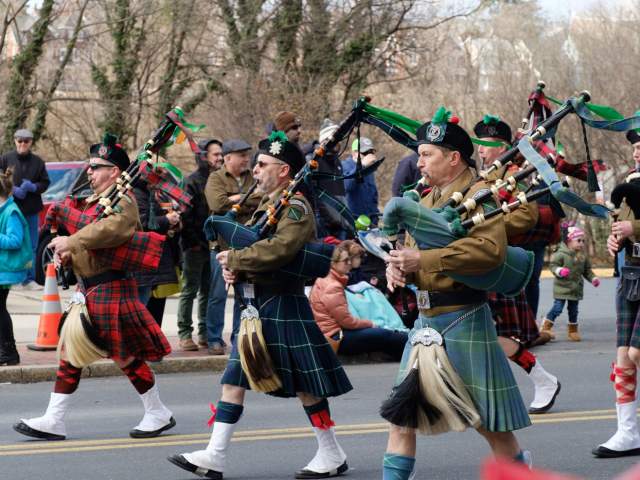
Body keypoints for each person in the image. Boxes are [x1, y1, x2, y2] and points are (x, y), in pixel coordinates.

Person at [168, 131, 352, 479]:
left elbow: (279, 249)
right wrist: (234, 268)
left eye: (264, 164)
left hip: (282, 303)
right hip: (255, 306)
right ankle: (215, 455)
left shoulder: (296, 207)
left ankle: (331, 452)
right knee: (233, 380)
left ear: (284, 171)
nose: (255, 169)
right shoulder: (270, 205)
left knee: (305, 386)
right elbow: (254, 249)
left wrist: (236, 258)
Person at [382, 110, 531, 479]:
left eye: (427, 154)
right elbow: (415, 254)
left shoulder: (479, 195)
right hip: (425, 323)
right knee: (401, 420)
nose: (419, 162)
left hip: (463, 317)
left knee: (491, 426)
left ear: (453, 157)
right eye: (419, 154)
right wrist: (398, 266)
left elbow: (488, 252)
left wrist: (424, 258)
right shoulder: (426, 198)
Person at [13, 134, 175, 441]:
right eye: (89, 166)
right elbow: (89, 241)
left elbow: (110, 231)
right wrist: (68, 255)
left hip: (111, 287)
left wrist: (72, 241)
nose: (90, 171)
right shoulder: (95, 202)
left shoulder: (124, 202)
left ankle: (157, 412)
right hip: (89, 290)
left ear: (114, 171)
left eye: (96, 167)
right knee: (71, 352)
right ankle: (54, 418)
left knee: (125, 356)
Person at [474, 115, 560, 415]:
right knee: (477, 337)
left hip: (502, 261)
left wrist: (483, 227)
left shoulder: (518, 174)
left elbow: (525, 217)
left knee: (493, 337)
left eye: (485, 145)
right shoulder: (484, 176)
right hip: (480, 261)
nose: (480, 151)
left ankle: (540, 380)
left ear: (500, 146)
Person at [593, 128, 640, 458]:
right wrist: (616, 240)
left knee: (638, 353)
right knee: (624, 355)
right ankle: (628, 432)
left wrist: (633, 229)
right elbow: (622, 227)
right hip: (633, 273)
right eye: (636, 147)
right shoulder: (631, 181)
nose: (637, 152)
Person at [204, 139, 261, 355]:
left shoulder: (252, 177)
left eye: (247, 155)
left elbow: (262, 198)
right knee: (218, 294)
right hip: (221, 246)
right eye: (242, 155)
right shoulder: (215, 178)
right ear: (228, 158)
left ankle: (239, 335)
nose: (247, 159)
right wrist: (244, 199)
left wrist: (235, 201)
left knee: (244, 293)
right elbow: (217, 204)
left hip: (245, 246)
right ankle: (214, 339)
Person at [310, 240, 407, 360]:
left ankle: (404, 352)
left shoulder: (328, 280)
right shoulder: (332, 286)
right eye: (345, 261)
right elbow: (347, 322)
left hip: (332, 334)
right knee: (383, 334)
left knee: (384, 335)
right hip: (336, 337)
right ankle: (409, 351)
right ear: (333, 263)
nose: (349, 263)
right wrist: (371, 324)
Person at [177, 139, 223, 351]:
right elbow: (185, 216)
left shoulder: (219, 180)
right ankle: (185, 334)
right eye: (216, 154)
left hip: (213, 245)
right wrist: (194, 242)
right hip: (194, 246)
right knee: (189, 290)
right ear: (204, 156)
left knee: (208, 290)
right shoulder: (192, 181)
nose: (220, 158)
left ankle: (204, 333)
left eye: (221, 154)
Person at [0, 129, 50, 288]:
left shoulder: (38, 162)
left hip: (30, 209)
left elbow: (45, 183)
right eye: (20, 140)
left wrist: (33, 187)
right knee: (10, 242)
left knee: (32, 245)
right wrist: (12, 189)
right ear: (15, 141)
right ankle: (11, 275)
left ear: (31, 142)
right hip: (10, 209)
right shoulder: (6, 158)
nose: (22, 144)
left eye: (26, 141)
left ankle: (28, 279)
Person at [542, 226, 599, 342]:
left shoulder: (582, 256)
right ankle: (546, 327)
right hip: (562, 288)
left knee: (573, 310)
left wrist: (593, 278)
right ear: (569, 241)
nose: (581, 243)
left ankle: (573, 331)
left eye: (583, 241)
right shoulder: (561, 254)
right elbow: (552, 266)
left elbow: (587, 271)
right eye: (578, 240)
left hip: (575, 288)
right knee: (557, 308)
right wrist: (559, 271)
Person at [0, 168, 32, 366]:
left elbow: (15, 241)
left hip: (6, 270)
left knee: (0, 310)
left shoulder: (11, 212)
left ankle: (9, 352)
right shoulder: (5, 210)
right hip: (3, 269)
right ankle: (6, 350)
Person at [313, 119, 351, 240]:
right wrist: (328, 219)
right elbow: (313, 193)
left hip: (341, 225)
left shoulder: (337, 162)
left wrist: (346, 220)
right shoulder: (315, 160)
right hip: (325, 226)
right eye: (335, 139)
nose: (338, 142)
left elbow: (342, 194)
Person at [342, 137, 381, 225]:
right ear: (354, 153)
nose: (369, 156)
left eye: (371, 152)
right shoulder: (344, 166)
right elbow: (347, 186)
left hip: (370, 223)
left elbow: (373, 195)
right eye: (365, 153)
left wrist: (375, 218)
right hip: (353, 222)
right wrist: (362, 165)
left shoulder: (369, 170)